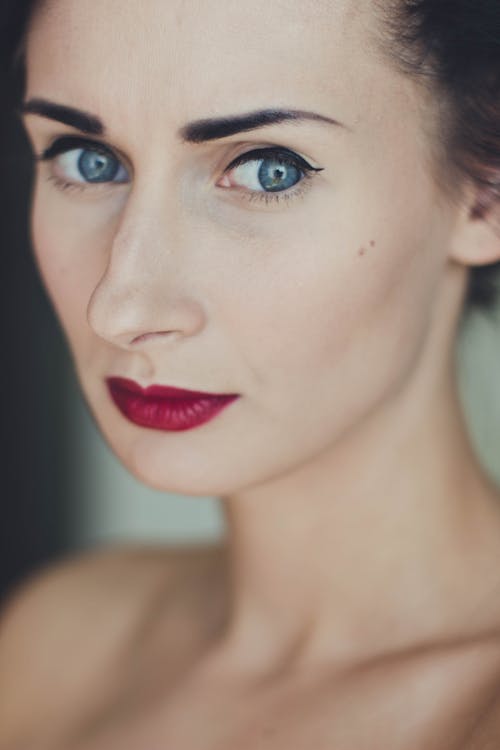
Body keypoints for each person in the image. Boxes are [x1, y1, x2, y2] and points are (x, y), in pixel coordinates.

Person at [1, 0, 500, 746]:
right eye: (87, 159)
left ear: (484, 195)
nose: (122, 306)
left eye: (268, 171)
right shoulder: (54, 642)